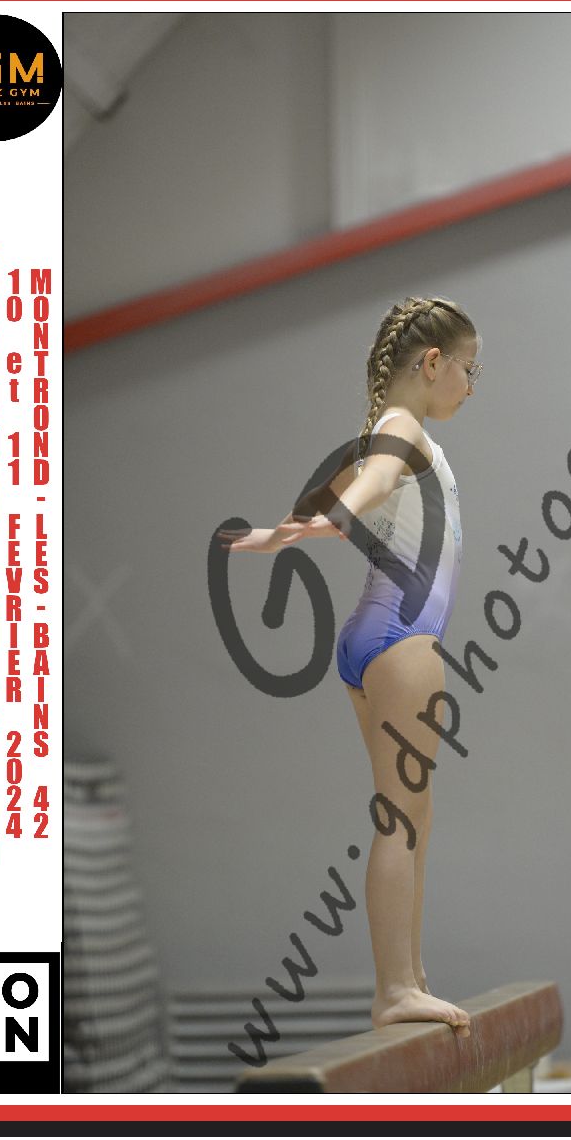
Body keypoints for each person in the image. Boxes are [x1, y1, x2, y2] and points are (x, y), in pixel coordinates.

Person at [218, 296, 482, 1037]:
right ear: (432, 362)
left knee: (410, 815)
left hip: (372, 638)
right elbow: (369, 487)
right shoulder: (403, 430)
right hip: (403, 638)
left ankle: (409, 977)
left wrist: (287, 531)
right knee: (403, 816)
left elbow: (343, 492)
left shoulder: (380, 433)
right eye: (469, 368)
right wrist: (326, 519)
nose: (471, 385)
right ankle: (395, 986)